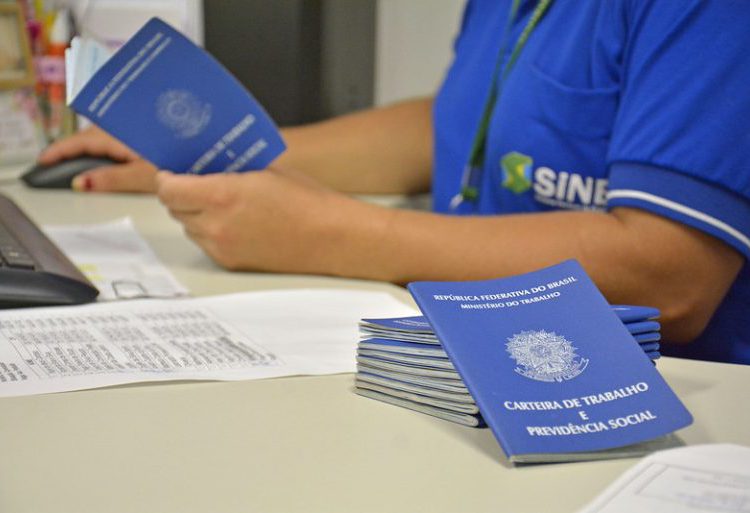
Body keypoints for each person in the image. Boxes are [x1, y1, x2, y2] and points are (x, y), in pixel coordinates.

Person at [38, 0, 750, 364]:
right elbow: (456, 125)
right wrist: (219, 153)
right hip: (472, 355)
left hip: (649, 398)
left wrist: (332, 235)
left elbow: (671, 275)